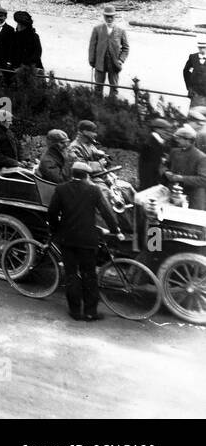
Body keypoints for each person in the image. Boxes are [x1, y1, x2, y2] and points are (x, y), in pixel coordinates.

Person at [47, 161, 123, 321]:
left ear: (72, 173)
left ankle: (75, 311)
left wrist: (55, 229)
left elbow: (52, 212)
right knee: (89, 275)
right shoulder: (94, 190)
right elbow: (106, 212)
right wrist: (116, 230)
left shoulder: (61, 189)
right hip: (88, 239)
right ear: (87, 175)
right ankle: (90, 312)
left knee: (71, 275)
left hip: (67, 238)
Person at [88, 4, 129, 98]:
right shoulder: (97, 29)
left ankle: (112, 106)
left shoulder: (121, 31)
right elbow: (92, 47)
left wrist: (121, 60)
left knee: (114, 88)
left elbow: (126, 48)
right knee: (98, 87)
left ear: (115, 16)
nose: (109, 19)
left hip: (114, 64)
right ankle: (98, 106)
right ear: (103, 16)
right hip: (100, 63)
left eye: (111, 17)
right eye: (107, 16)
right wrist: (92, 60)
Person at [164, 125, 206, 211]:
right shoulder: (174, 152)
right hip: (173, 193)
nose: (176, 140)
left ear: (188, 140)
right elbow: (164, 166)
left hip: (194, 196)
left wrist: (182, 178)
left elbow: (203, 180)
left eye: (179, 138)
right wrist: (166, 172)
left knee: (191, 221)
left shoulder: (201, 157)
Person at [136, 118, 171, 191]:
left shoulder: (159, 142)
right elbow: (150, 167)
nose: (167, 133)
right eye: (165, 130)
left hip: (154, 179)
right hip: (149, 180)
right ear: (156, 129)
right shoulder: (149, 144)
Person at [183, 39, 206, 108]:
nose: (202, 49)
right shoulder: (193, 57)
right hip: (195, 91)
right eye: (200, 47)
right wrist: (189, 86)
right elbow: (186, 71)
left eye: (204, 47)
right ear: (198, 47)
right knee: (194, 112)